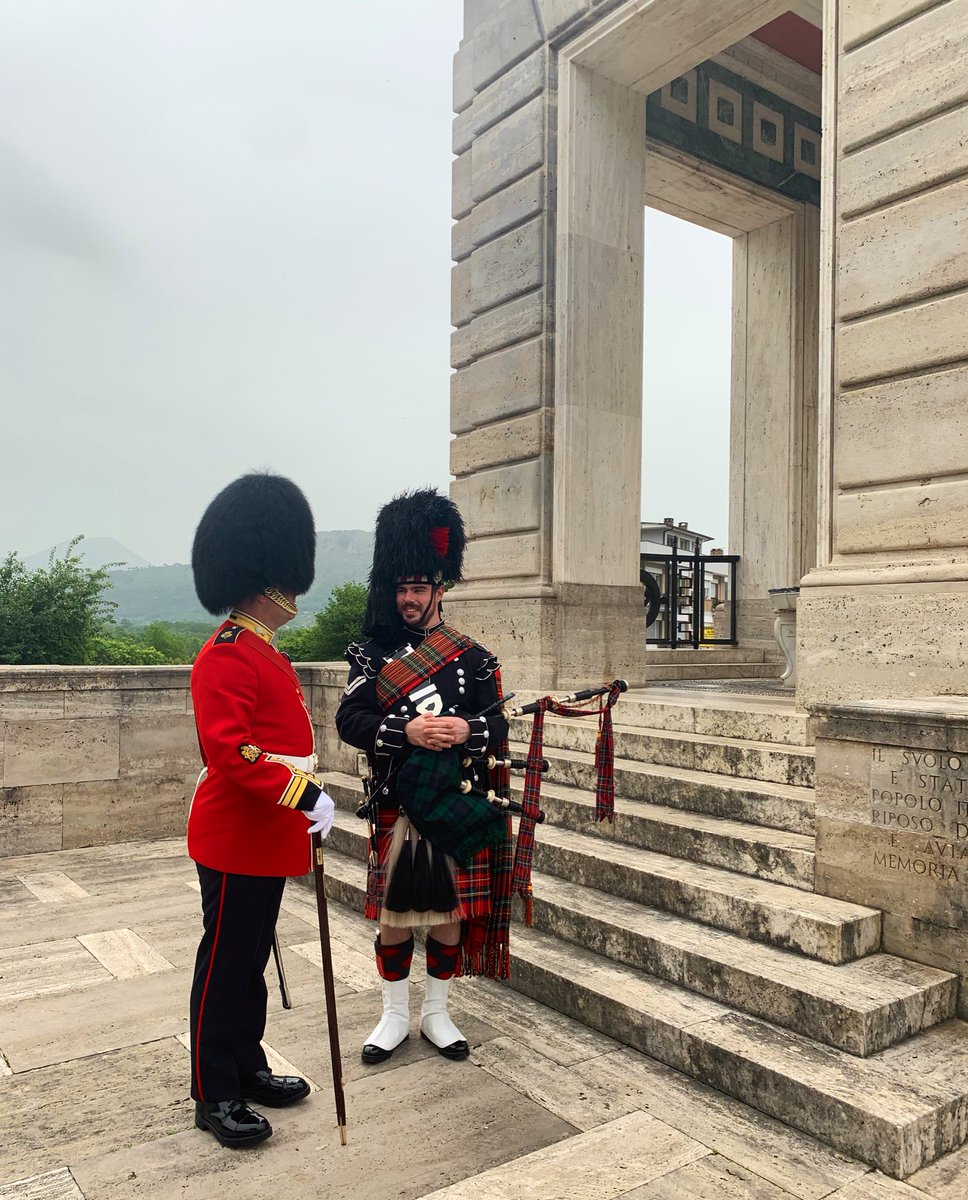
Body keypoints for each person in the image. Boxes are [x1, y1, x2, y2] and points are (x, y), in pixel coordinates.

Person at [335, 488, 512, 1066]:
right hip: (398, 800)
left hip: (452, 800)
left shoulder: (472, 659)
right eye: (401, 588)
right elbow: (349, 720)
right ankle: (392, 1015)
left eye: (419, 588)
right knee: (393, 918)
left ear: (439, 589)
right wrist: (405, 732)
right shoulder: (371, 655)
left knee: (449, 914)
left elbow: (499, 728)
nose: (408, 598)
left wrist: (466, 733)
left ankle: (436, 1012)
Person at [187, 472, 336, 1148]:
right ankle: (212, 1090)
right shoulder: (224, 654)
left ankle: (246, 1063)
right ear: (265, 579)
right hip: (235, 836)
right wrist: (305, 792)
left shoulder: (262, 649)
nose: (296, 594)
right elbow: (232, 755)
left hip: (266, 834)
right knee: (224, 966)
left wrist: (301, 796)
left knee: (250, 961)